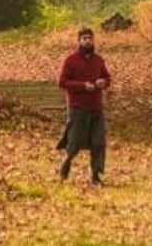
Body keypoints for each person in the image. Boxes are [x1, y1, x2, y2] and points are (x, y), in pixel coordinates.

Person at [56, 26, 111, 186]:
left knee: (98, 142)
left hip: (96, 107)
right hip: (77, 107)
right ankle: (66, 164)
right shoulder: (71, 60)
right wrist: (82, 86)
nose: (87, 41)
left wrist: (103, 82)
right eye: (84, 39)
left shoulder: (98, 60)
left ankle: (96, 176)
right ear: (79, 41)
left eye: (90, 38)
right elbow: (62, 82)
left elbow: (107, 78)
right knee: (74, 143)